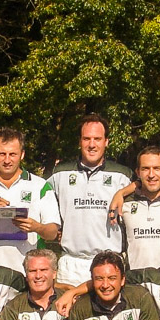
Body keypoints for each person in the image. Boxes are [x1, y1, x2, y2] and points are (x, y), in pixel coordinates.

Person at [47, 114, 132, 285]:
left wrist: (122, 192)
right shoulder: (60, 173)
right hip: (71, 264)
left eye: (97, 139)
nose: (92, 145)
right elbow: (37, 200)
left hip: (109, 263)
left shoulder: (122, 175)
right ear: (79, 141)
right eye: (87, 139)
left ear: (106, 141)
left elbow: (146, 184)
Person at [0, 127, 61, 273]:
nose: (7, 160)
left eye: (12, 154)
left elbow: (52, 233)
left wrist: (35, 227)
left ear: (22, 154)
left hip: (29, 272)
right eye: (2, 154)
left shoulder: (40, 186)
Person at [114, 146, 160, 271]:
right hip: (136, 281)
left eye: (157, 168)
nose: (151, 175)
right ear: (138, 172)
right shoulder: (125, 202)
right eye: (145, 169)